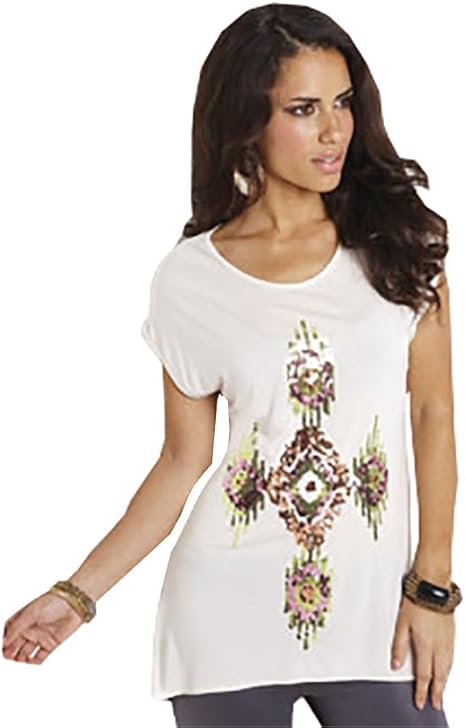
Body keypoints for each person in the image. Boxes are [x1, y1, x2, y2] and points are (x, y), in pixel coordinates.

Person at [2, 4, 461, 727]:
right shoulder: (192, 279)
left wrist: (432, 588)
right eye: (303, 109)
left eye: (343, 103)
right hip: (225, 620)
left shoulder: (401, 246)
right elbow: (182, 461)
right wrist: (77, 596)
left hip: (381, 619)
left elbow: (433, 413)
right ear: (248, 124)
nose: (335, 130)